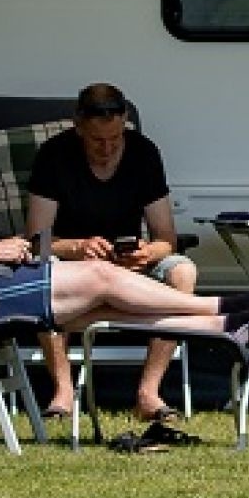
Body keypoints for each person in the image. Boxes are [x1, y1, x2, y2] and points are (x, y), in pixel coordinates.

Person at [0, 89, 249, 444]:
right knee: (103, 278)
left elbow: (164, 235)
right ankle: (221, 309)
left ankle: (220, 326)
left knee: (106, 308)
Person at [24, 82, 198, 440]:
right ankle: (63, 392)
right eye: (96, 141)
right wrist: (77, 247)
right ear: (78, 128)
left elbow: (166, 236)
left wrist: (149, 252)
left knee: (183, 271)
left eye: (115, 140)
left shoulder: (144, 154)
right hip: (74, 265)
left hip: (129, 263)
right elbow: (37, 240)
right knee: (39, 274)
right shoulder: (54, 156)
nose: (106, 149)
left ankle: (148, 393)